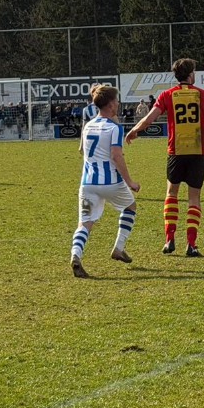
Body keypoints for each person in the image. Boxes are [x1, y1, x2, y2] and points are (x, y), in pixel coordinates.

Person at [126, 58, 204, 257]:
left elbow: (148, 118)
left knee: (171, 194)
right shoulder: (203, 95)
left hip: (176, 152)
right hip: (198, 153)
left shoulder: (167, 95)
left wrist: (134, 130)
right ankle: (191, 244)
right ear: (191, 75)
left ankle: (169, 239)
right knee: (194, 197)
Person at [70, 84, 141, 278]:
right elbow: (117, 156)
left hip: (87, 184)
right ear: (110, 104)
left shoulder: (88, 126)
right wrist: (130, 182)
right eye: (116, 101)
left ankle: (76, 255)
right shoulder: (115, 128)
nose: (118, 103)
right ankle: (118, 248)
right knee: (130, 207)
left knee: (84, 223)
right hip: (111, 184)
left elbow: (83, 152)